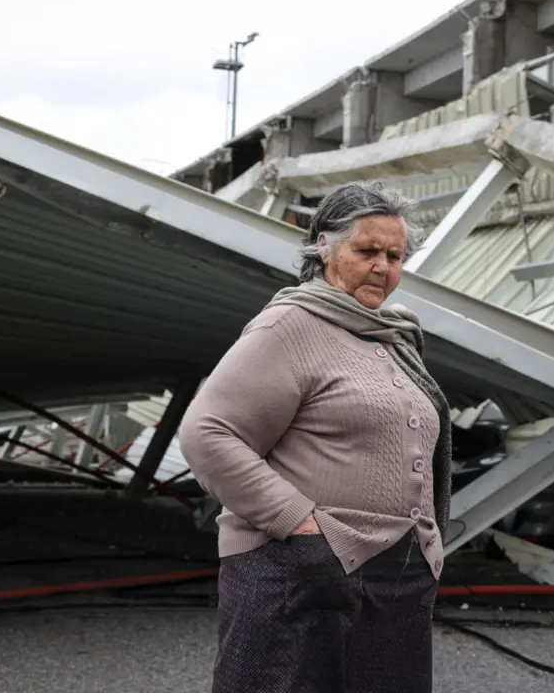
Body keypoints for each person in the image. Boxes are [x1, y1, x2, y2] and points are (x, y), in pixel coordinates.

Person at [179, 180, 452, 693]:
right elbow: (207, 432)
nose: (383, 266)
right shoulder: (289, 326)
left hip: (396, 576)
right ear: (324, 247)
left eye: (394, 255)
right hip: (299, 568)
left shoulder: (392, 336)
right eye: (366, 250)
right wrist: (301, 526)